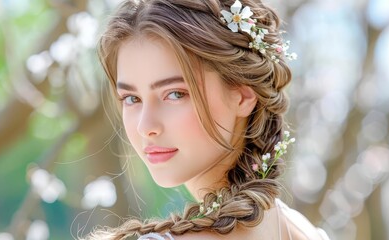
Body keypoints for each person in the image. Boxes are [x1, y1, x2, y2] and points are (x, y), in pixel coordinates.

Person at [85, 0, 330, 239]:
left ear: (243, 95)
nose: (145, 127)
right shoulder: (302, 230)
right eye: (131, 98)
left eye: (174, 94)